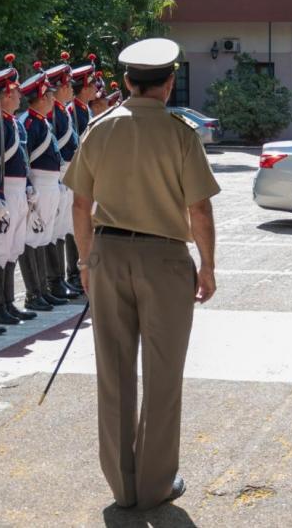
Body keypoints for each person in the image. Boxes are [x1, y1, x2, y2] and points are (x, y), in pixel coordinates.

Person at [64, 37, 219, 510]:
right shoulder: (180, 133)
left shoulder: (99, 128)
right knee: (162, 373)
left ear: (127, 82)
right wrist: (208, 265)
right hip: (166, 259)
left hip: (108, 253)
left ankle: (122, 485)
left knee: (113, 372)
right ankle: (155, 485)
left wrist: (85, 261)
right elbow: (200, 210)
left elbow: (79, 204)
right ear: (168, 84)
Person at [0, 54, 35, 326]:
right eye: (14, 93)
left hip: (18, 190)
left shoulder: (12, 122)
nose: (18, 97)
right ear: (3, 96)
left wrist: (27, 188)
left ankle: (9, 303)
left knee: (13, 247)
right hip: (4, 191)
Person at [18, 62, 65, 310]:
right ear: (38, 97)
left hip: (50, 184)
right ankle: (33, 293)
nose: (51, 99)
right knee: (32, 237)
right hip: (37, 183)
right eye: (48, 95)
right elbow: (25, 158)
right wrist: (28, 186)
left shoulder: (43, 122)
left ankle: (43, 289)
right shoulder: (28, 122)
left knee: (44, 236)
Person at [43, 53, 80, 300]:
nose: (70, 89)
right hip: (54, 176)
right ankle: (53, 281)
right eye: (66, 85)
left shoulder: (63, 112)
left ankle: (62, 279)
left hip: (66, 176)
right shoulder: (51, 115)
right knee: (51, 231)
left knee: (64, 228)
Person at [64, 54, 99, 290]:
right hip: (71, 173)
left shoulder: (84, 110)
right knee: (70, 224)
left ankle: (78, 273)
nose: (97, 87)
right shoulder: (71, 111)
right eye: (93, 83)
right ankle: (73, 274)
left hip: (87, 172)